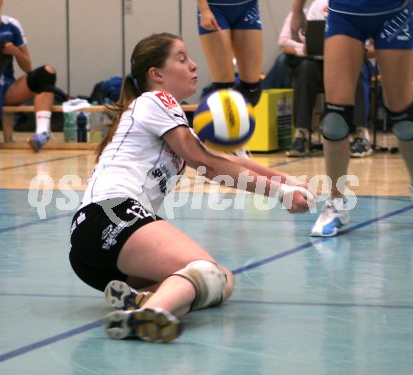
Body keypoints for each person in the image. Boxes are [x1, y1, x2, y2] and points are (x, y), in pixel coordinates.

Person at [69, 32, 315, 343]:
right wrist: (278, 194)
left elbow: (216, 158)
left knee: (222, 280)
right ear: (156, 75)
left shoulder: (163, 118)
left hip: (92, 246)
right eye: (182, 59)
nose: (194, 66)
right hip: (112, 215)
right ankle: (153, 314)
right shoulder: (155, 100)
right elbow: (205, 163)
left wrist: (287, 182)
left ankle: (142, 300)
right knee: (205, 270)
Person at [291, 0, 413, 236]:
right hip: (345, 13)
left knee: (404, 120)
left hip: (394, 13)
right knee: (335, 118)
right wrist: (297, 11)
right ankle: (336, 205)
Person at [288, 0, 374, 158]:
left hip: (350, 61)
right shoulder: (317, 5)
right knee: (305, 68)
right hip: (322, 63)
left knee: (358, 67)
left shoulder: (362, 5)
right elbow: (308, 48)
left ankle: (361, 135)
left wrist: (363, 50)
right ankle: (302, 134)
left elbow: (373, 49)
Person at [0, 0, 56, 152]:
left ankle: (42, 133)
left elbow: (28, 67)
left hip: (4, 87)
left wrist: (15, 52)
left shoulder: (12, 26)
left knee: (46, 74)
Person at [196, 0, 263, 107]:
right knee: (224, 89)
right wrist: (204, 10)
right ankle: (208, 116)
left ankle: (242, 121)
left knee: (252, 90)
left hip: (247, 6)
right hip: (214, 7)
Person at [262, 10, 307, 90]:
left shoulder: (323, 13)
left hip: (315, 57)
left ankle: (263, 92)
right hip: (297, 56)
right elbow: (283, 40)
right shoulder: (297, 14)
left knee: (285, 61)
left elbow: (317, 46)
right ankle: (280, 97)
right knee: (283, 60)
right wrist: (299, 48)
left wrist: (297, 50)